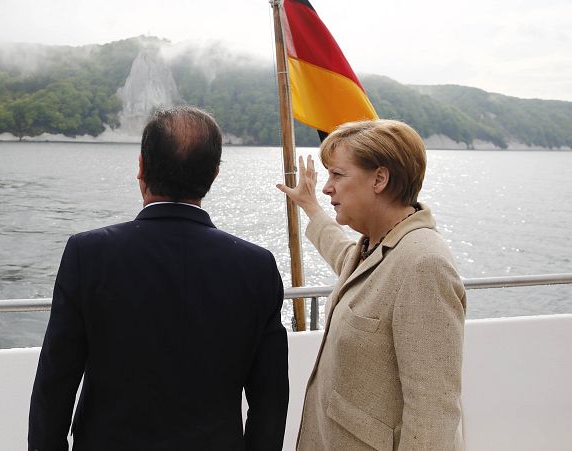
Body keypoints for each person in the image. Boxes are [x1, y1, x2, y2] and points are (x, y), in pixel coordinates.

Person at [29, 106, 289, 451]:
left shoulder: (89, 254)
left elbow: (55, 384)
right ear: (213, 175)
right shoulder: (257, 266)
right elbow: (270, 401)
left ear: (141, 167)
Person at [277, 119, 466, 450]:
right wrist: (310, 208)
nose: (326, 187)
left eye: (338, 174)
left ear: (380, 178)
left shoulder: (424, 264)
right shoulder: (375, 245)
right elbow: (346, 257)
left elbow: (433, 413)